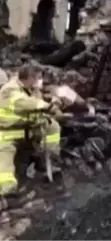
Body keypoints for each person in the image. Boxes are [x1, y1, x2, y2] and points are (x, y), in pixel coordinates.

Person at [0, 64, 61, 195]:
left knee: (52, 126)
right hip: (8, 131)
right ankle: (8, 186)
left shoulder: (32, 89)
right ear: (30, 78)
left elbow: (37, 106)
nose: (40, 81)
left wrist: (51, 106)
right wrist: (49, 107)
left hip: (29, 129)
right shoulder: (9, 89)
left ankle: (48, 158)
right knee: (4, 153)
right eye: (38, 77)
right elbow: (27, 103)